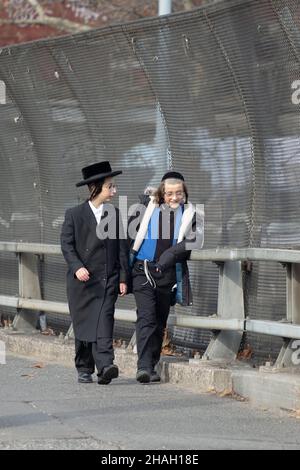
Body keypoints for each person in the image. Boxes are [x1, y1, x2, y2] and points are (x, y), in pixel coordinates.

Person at [129, 171, 204, 384]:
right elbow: (128, 237)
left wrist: (168, 257)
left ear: (184, 193)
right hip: (142, 270)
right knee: (146, 316)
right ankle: (143, 367)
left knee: (159, 320)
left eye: (178, 193)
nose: (173, 197)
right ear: (162, 192)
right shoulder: (146, 209)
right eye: (169, 193)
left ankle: (152, 363)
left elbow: (192, 242)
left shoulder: (191, 214)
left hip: (167, 273)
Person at [61, 161, 128, 385]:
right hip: (82, 281)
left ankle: (106, 365)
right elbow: (67, 245)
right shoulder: (74, 215)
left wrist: (122, 278)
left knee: (104, 321)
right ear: (95, 188)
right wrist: (77, 266)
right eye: (111, 186)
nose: (114, 191)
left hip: (107, 279)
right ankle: (84, 367)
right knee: (83, 324)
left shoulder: (114, 214)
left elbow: (121, 248)